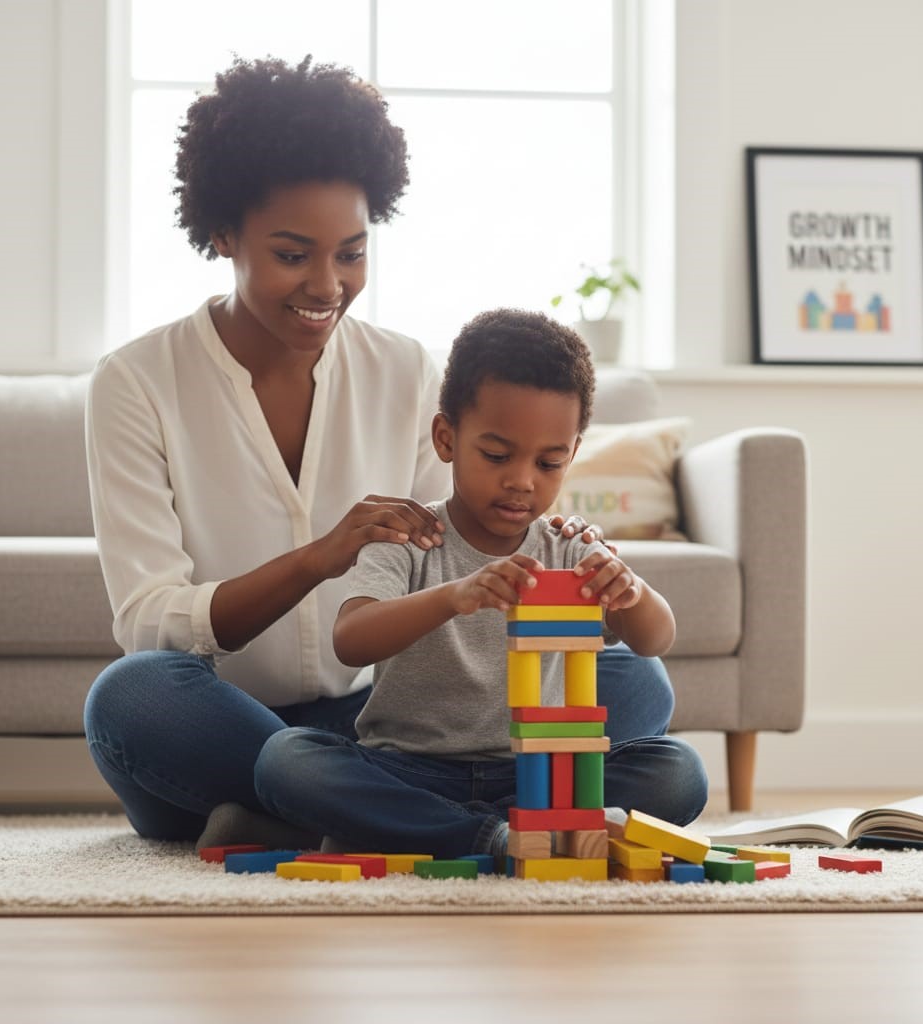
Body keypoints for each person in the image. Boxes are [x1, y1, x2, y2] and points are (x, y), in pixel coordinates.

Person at [83, 56, 678, 848]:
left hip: (393, 728)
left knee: (639, 682)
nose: (327, 285)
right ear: (224, 234)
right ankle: (418, 815)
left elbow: (470, 555)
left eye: (352, 253)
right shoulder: (136, 383)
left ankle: (332, 813)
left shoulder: (406, 370)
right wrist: (319, 558)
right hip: (225, 716)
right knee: (133, 698)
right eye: (293, 255)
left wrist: (563, 582)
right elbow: (149, 620)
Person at [253, 310, 708, 859]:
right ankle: (490, 837)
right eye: (496, 455)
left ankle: (415, 829)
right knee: (287, 760)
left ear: (573, 454)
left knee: (679, 771)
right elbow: (351, 638)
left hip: (536, 776)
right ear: (446, 438)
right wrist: (454, 596)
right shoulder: (409, 535)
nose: (522, 480)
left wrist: (630, 592)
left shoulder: (568, 545)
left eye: (549, 462)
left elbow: (656, 641)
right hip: (409, 767)